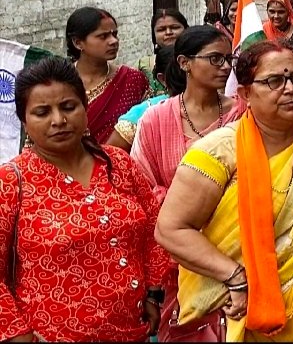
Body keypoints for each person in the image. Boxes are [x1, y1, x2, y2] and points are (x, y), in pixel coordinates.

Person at [155, 38, 293, 341]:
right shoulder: (218, 151)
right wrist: (235, 277)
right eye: (274, 81)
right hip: (234, 310)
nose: (291, 88)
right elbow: (170, 229)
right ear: (245, 93)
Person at [0, 56, 169, 341]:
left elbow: (156, 229)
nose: (59, 120)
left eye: (68, 107)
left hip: (132, 330)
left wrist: (153, 292)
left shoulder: (118, 164)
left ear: (84, 106)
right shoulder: (11, 181)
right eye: (42, 112)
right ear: (24, 121)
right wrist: (18, 334)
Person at [131, 26, 245, 341]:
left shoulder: (244, 115)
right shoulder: (155, 119)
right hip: (176, 259)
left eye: (229, 59)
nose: (225, 67)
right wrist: (188, 208)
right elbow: (141, 187)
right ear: (184, 63)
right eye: (215, 59)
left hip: (237, 251)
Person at [66, 7, 149, 144]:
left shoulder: (132, 79)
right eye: (103, 36)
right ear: (78, 42)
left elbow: (149, 126)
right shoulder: (59, 81)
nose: (113, 41)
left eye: (114, 34)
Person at [106, 45, 176, 152]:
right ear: (162, 79)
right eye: (182, 74)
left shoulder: (204, 109)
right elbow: (112, 155)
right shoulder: (143, 114)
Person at [138, 10, 189, 96]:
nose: (168, 32)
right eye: (161, 29)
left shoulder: (198, 59)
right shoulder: (143, 65)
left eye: (175, 27)